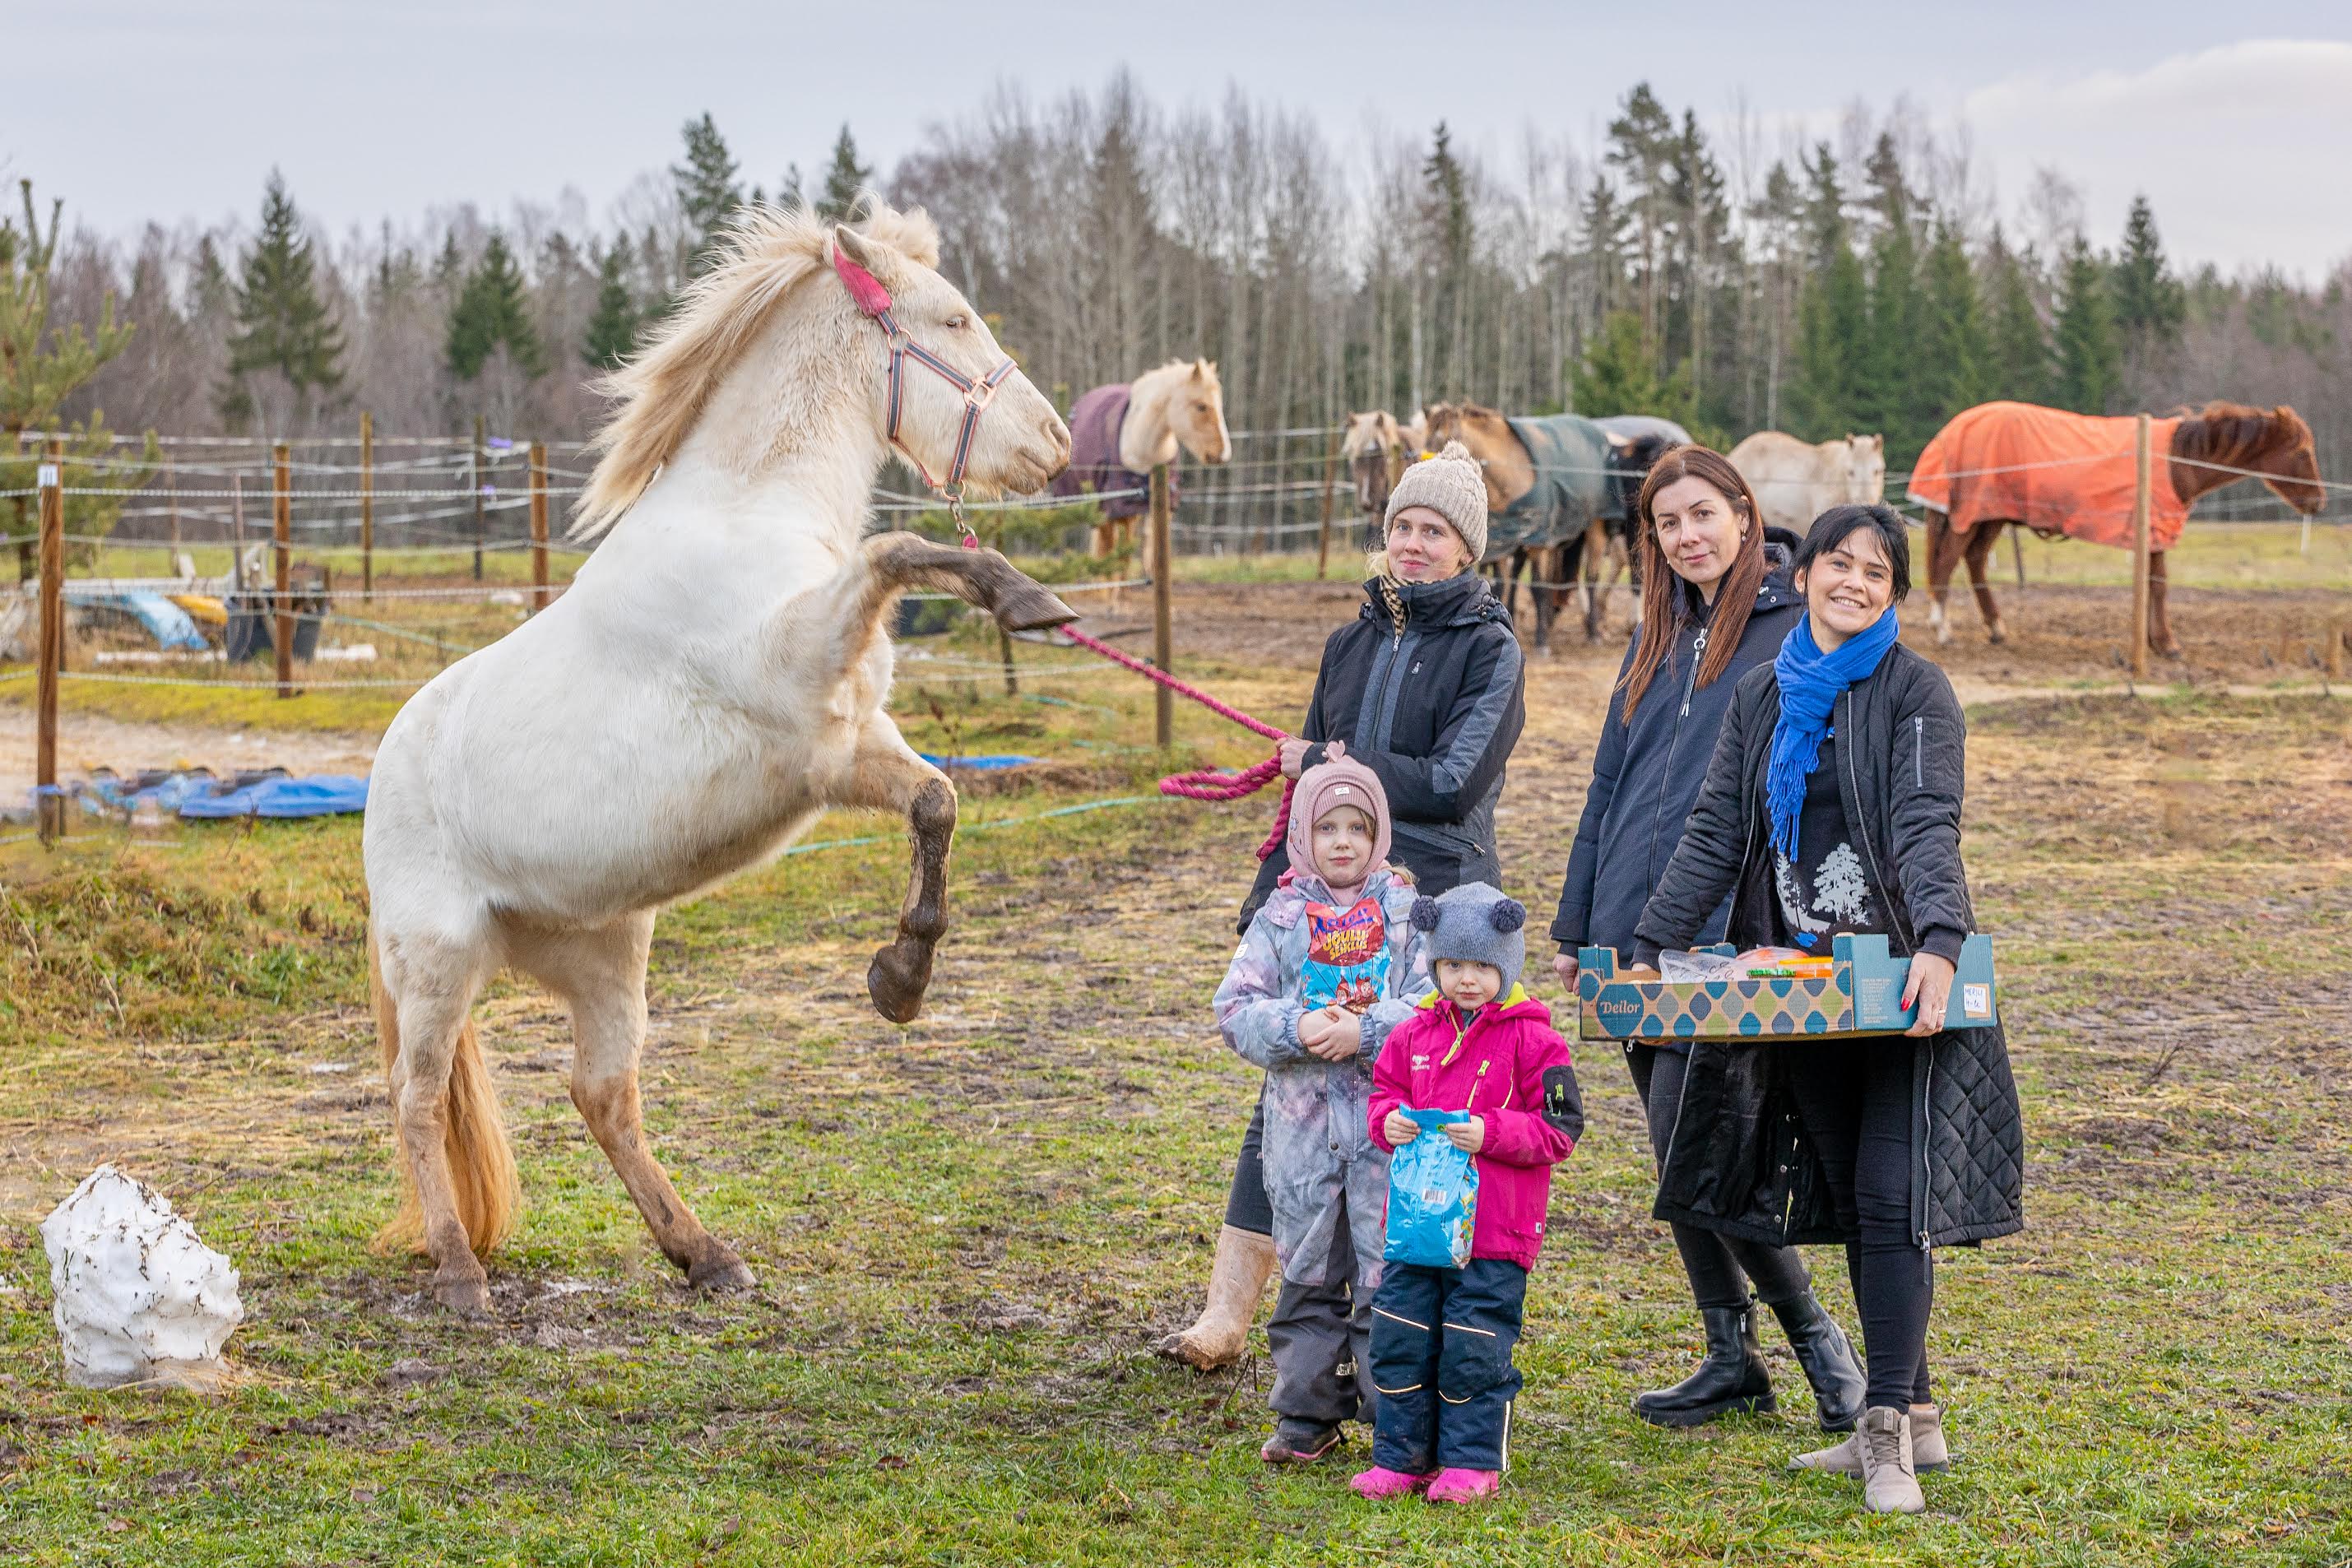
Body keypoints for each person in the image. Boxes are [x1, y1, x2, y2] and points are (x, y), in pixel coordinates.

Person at [1629, 504, 2024, 1515]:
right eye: (1838, 563)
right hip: (1799, 987)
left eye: (1877, 572)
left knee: (1895, 1198)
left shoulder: (1916, 690)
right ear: (1800, 575)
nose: (1854, 581)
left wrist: (1939, 944)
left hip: (1900, 986)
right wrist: (1645, 950)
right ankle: (1918, 1413)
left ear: (1893, 592)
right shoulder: (1764, 694)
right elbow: (1720, 829)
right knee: (1852, 1197)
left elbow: (1930, 825)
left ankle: (1882, 1428)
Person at [1159, 440, 1527, 1372]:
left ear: (1466, 550)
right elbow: (1309, 809)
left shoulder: (1491, 651)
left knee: (1411, 1110)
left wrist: (1332, 764)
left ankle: (1400, 1327)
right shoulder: (1351, 640)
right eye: (1403, 524)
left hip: (1432, 907)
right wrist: (1268, 901)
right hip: (1327, 906)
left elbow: (1450, 782)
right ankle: (1227, 1312)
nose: (1412, 542)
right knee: (1286, 1091)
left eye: (1434, 531)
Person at [1547, 447, 1866, 1431]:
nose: (1687, 537)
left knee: (1701, 1148)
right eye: (1667, 524)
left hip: (1725, 934)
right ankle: (1730, 1354)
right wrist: (1577, 924)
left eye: (1701, 515)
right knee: (1670, 1151)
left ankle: (1822, 1347)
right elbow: (1608, 789)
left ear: (1742, 512)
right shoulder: (1659, 637)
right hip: (1632, 933)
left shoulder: (1787, 634)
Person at [1213, 754, 1431, 1464]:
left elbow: (1433, 1002)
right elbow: (1235, 1007)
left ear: (1379, 835)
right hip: (1301, 1142)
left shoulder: (1404, 915)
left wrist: (1365, 1030)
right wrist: (1295, 1028)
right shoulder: (1278, 918)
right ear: (1303, 835)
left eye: (1357, 828)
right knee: (1306, 1274)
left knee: (1383, 1278)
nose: (1342, 841)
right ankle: (1306, 1417)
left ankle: (1394, 1421)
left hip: (1385, 1140)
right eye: (1327, 827)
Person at [1352, 883, 1583, 1504]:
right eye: (1452, 965)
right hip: (1417, 1228)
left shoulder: (1537, 1042)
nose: (1467, 979)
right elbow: (1382, 1095)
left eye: (1483, 966)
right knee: (1401, 1338)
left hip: (1494, 1235)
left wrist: (1491, 1133)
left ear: (1506, 965)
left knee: (1473, 1346)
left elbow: (1561, 1129)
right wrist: (1388, 1121)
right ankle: (1401, 1457)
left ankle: (1471, 1461)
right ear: (1433, 964)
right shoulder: (1409, 1036)